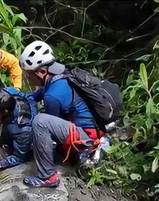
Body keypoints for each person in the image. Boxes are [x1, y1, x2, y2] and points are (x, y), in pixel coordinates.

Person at [19, 41, 101, 188]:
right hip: (92, 129)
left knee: (40, 121)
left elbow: (51, 131)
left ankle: (47, 176)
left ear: (41, 72)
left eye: (29, 74)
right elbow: (37, 94)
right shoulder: (60, 75)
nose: (27, 78)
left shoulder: (53, 96)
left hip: (85, 138)